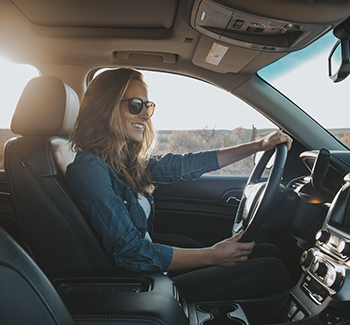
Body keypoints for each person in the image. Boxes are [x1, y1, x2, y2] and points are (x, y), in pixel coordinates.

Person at [66, 68, 294, 302]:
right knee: (269, 271)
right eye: (135, 105)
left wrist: (257, 146)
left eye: (148, 106)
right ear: (106, 108)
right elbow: (131, 252)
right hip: (138, 287)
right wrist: (213, 255)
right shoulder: (89, 169)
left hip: (153, 273)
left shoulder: (126, 163)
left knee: (267, 252)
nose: (145, 114)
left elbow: (185, 165)